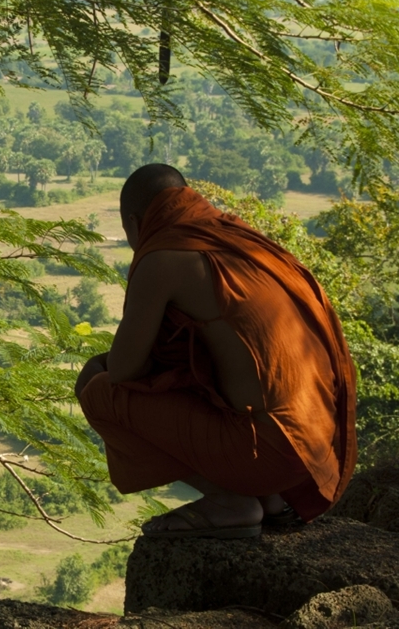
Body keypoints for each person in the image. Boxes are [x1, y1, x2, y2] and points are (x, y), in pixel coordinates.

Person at [75, 164, 356, 539]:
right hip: (315, 450)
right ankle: (270, 499)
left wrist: (98, 364)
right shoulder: (237, 237)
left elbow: (125, 369)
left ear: (133, 223)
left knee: (97, 389)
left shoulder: (163, 255)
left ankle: (231, 502)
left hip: (270, 453)